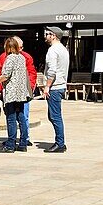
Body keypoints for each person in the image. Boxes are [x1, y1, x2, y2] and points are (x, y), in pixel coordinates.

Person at [0, 39, 31, 153]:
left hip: (12, 93)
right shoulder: (22, 57)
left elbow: (6, 74)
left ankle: (10, 145)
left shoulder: (10, 58)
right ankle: (23, 143)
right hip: (21, 93)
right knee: (21, 118)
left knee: (11, 119)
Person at [42, 26, 70, 154]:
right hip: (61, 85)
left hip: (54, 87)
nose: (45, 36)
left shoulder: (52, 50)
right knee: (53, 115)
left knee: (55, 116)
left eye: (47, 34)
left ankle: (60, 143)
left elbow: (52, 71)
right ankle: (60, 142)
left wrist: (47, 86)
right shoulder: (63, 49)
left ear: (53, 35)